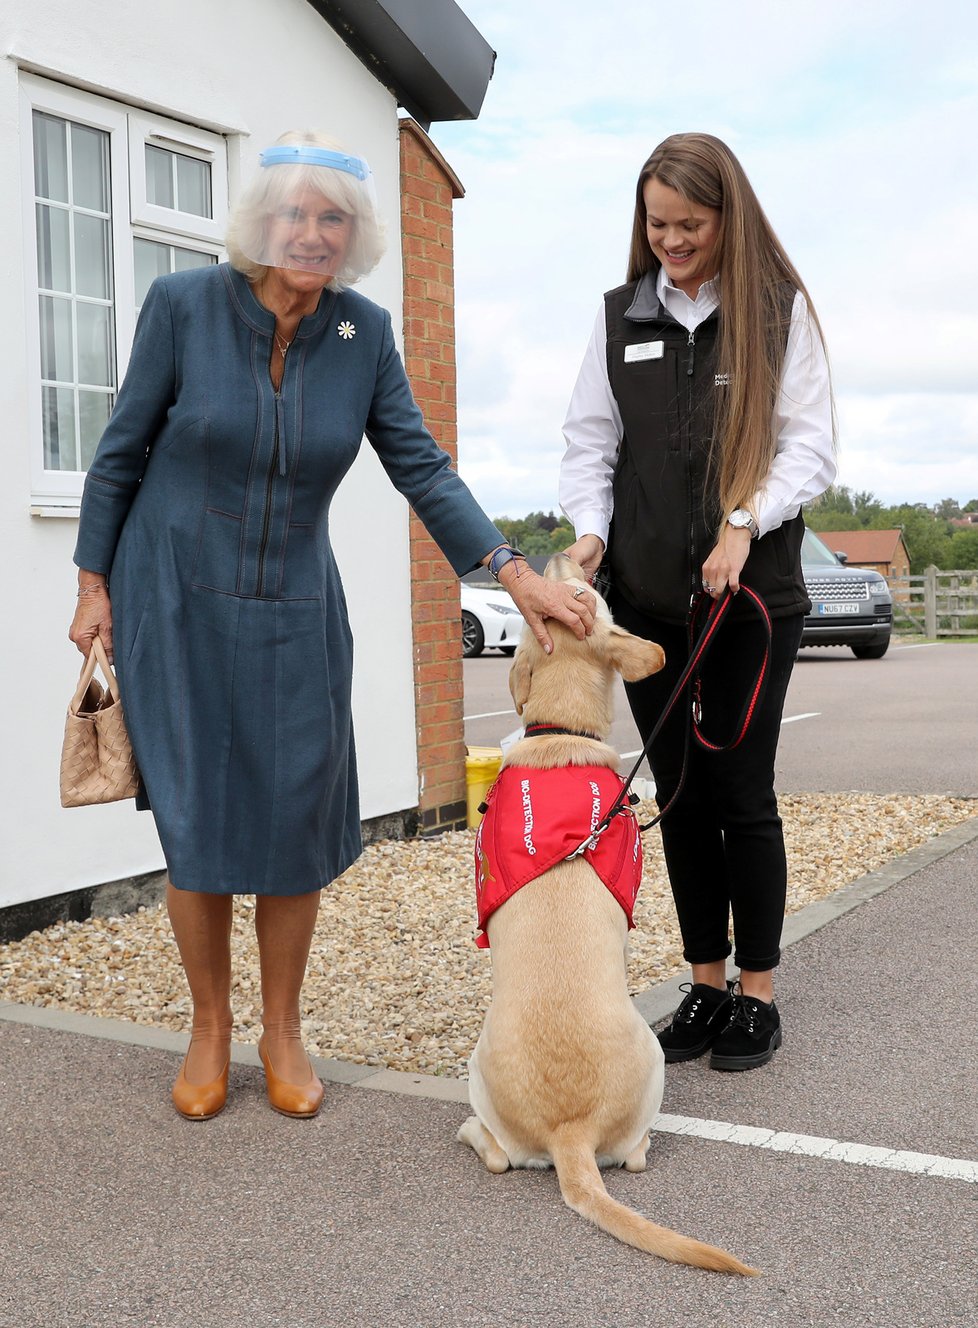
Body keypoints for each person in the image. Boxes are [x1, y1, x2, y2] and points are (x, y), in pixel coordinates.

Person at [68, 130, 595, 1121]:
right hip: (173, 593)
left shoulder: (362, 332)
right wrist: (92, 581)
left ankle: (284, 1028)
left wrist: (513, 572)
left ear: (353, 238)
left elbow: (422, 466)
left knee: (297, 813)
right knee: (197, 816)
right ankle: (209, 1026)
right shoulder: (182, 306)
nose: (311, 233)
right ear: (261, 222)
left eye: (333, 219)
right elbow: (120, 449)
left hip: (296, 604)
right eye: (295, 214)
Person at [560, 132, 836, 1072]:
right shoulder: (619, 318)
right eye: (657, 223)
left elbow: (809, 448)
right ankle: (706, 984)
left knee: (741, 792)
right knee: (676, 794)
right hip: (646, 601)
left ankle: (758, 994)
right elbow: (590, 445)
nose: (671, 240)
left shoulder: (774, 312)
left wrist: (742, 522)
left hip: (750, 601)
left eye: (690, 224)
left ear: (729, 217)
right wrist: (590, 532)